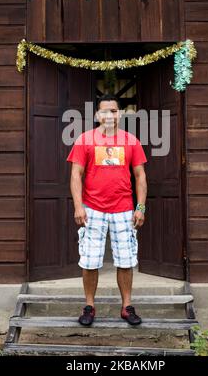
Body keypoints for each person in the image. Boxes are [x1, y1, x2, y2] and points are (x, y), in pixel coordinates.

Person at [66, 94, 147, 326]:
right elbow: (75, 175)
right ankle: (90, 307)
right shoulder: (84, 140)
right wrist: (78, 205)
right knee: (90, 261)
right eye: (104, 111)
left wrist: (140, 207)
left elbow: (140, 176)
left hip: (123, 209)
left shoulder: (131, 141)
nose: (109, 115)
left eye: (113, 111)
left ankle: (127, 307)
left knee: (126, 260)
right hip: (93, 210)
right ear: (97, 115)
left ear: (119, 114)